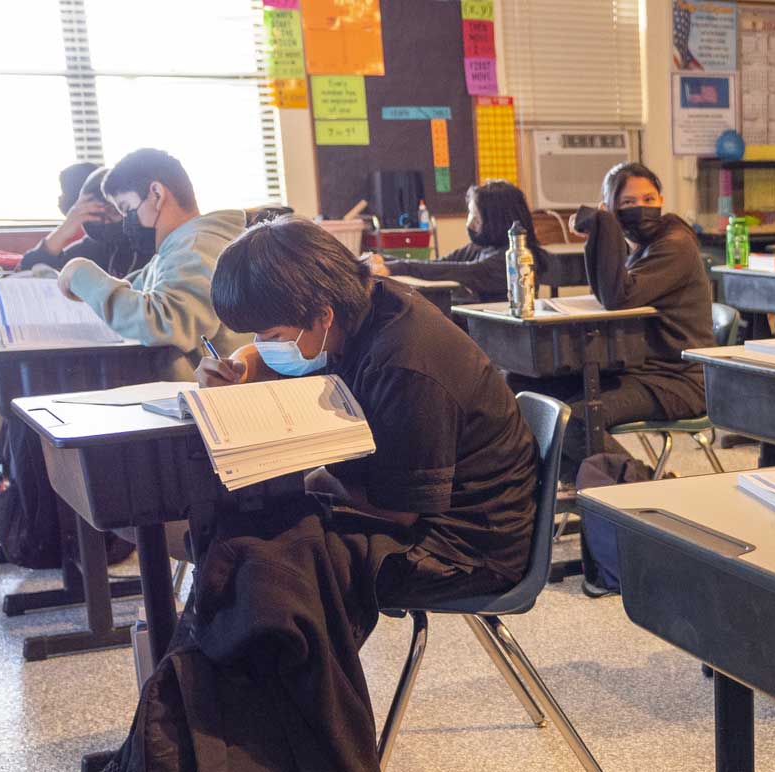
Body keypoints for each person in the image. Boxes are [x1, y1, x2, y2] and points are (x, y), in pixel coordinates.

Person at [103, 216, 538, 769]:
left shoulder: (408, 361)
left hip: (464, 544)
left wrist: (312, 472)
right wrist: (244, 364)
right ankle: (203, 739)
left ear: (322, 316)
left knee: (262, 565)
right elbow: (296, 359)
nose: (264, 346)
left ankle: (246, 746)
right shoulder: (361, 304)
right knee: (248, 540)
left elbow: (401, 512)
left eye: (271, 335)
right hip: (411, 508)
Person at [511, 162, 712, 477]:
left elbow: (620, 297)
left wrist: (603, 223)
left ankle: (642, 485)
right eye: (628, 202)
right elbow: (607, 292)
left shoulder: (675, 244)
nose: (641, 208)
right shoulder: (640, 248)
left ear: (661, 200)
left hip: (677, 379)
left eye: (649, 199)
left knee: (578, 419)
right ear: (611, 207)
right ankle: (580, 482)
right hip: (636, 369)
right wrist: (604, 230)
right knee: (521, 388)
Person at [53, 148, 249, 381]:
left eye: (127, 209)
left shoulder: (196, 247)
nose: (126, 224)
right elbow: (136, 290)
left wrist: (80, 272)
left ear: (156, 193)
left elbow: (167, 323)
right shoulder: (173, 250)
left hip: (223, 393)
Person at [376, 180, 549, 302]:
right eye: (470, 215)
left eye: (477, 218)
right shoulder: (479, 248)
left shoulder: (515, 258)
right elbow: (438, 264)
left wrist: (395, 267)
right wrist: (385, 261)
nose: (470, 223)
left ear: (496, 221)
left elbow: (459, 271)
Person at [22, 166, 151, 276]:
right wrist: (64, 229)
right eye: (96, 214)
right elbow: (30, 270)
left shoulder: (152, 245)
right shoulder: (96, 247)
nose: (106, 221)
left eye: (113, 211)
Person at [19, 162, 103, 270]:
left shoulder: (102, 239)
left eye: (64, 192)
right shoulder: (90, 242)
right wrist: (63, 231)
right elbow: (31, 268)